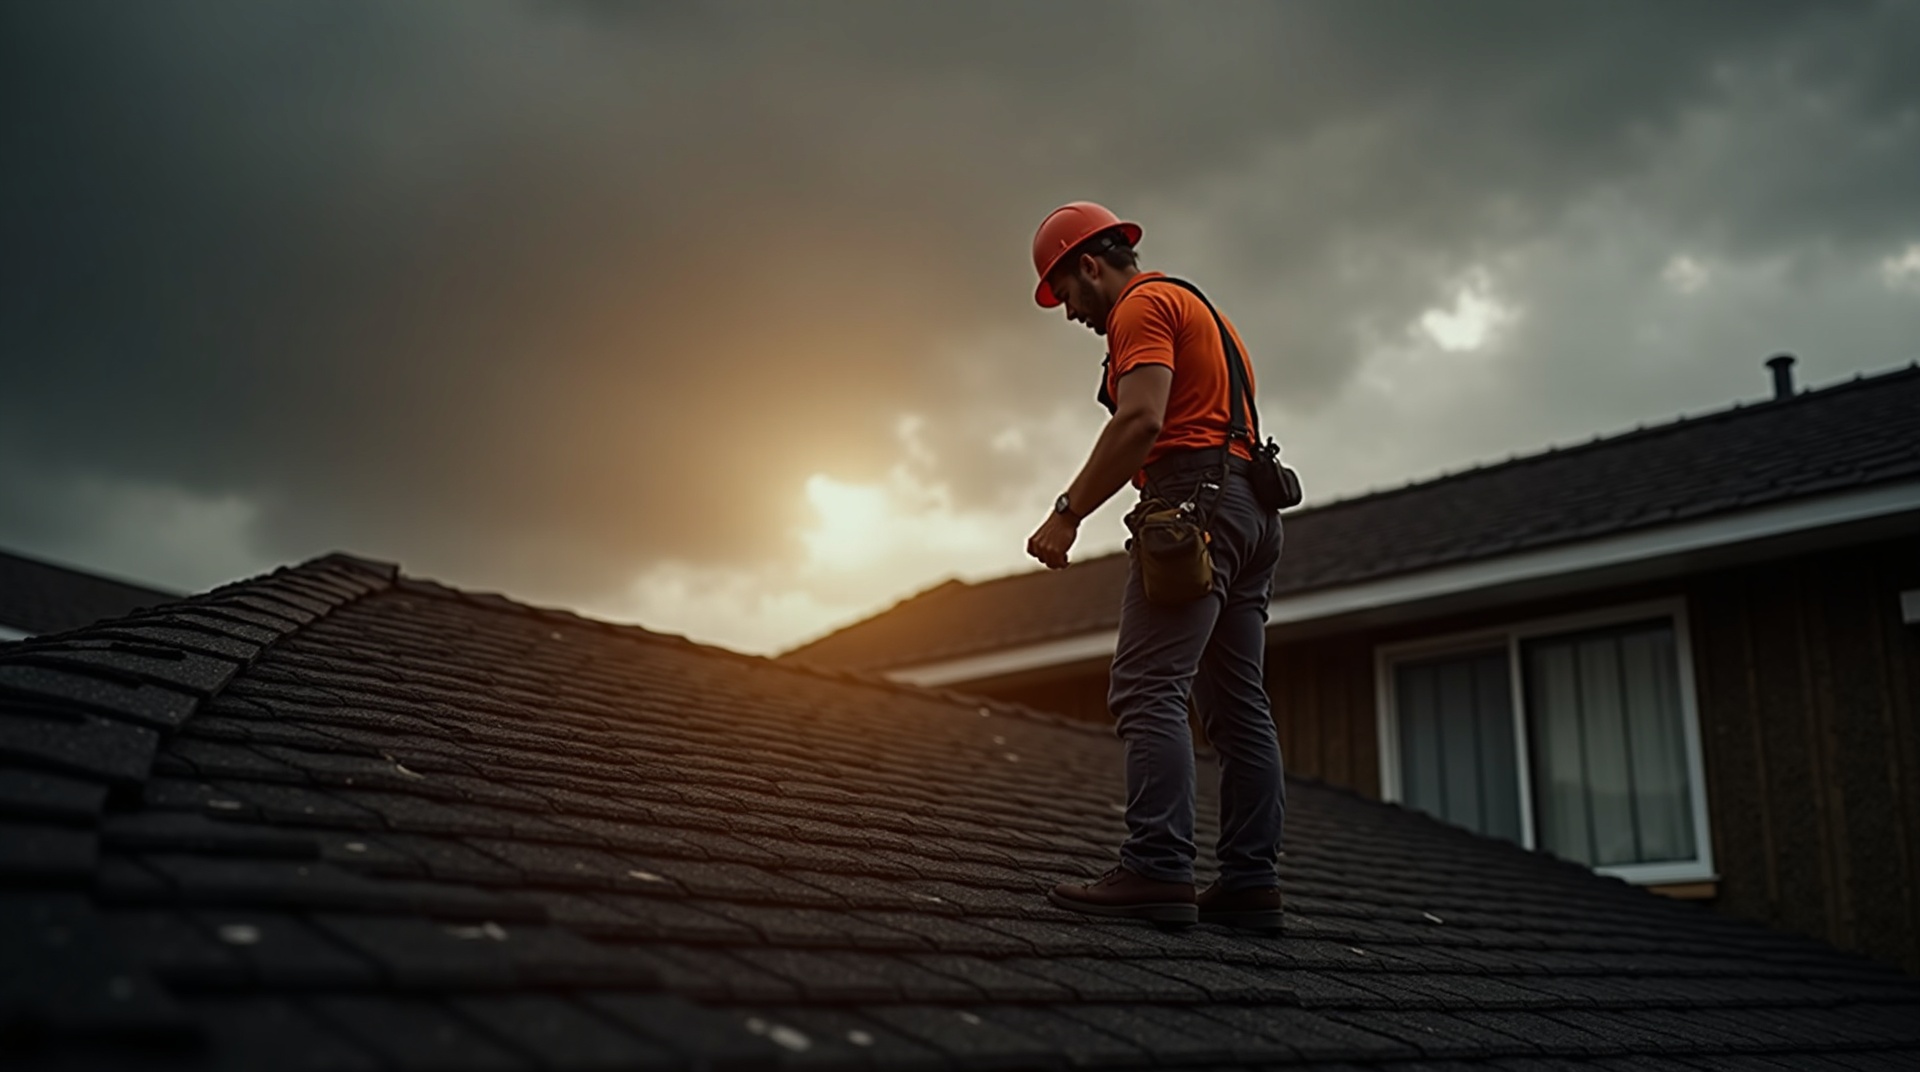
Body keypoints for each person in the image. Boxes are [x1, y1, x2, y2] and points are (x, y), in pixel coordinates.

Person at [1024, 201, 1286, 931]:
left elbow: (1141, 418)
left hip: (1194, 508)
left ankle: (1157, 868)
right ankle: (1251, 882)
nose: (1070, 313)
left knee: (1147, 686)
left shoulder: (1140, 309)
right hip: (1253, 511)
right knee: (1238, 706)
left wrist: (1068, 511)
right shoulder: (1202, 309)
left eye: (1066, 294)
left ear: (1089, 266)